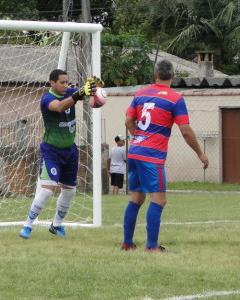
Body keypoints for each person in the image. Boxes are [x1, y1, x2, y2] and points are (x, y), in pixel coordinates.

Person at [121, 60, 209, 252]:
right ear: (173, 76)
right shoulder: (175, 99)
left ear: (155, 75)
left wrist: (139, 138)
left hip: (135, 151)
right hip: (152, 156)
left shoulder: (140, 94)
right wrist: (200, 153)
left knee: (136, 198)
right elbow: (185, 130)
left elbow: (128, 121)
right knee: (159, 200)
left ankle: (127, 243)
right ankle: (151, 246)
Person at [19, 69, 101, 239]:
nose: (66, 85)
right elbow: (59, 106)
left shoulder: (70, 92)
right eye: (62, 82)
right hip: (51, 151)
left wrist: (94, 90)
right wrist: (79, 94)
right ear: (52, 83)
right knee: (48, 190)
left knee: (69, 191)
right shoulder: (47, 99)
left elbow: (85, 95)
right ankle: (27, 225)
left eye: (67, 82)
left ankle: (56, 225)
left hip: (70, 151)